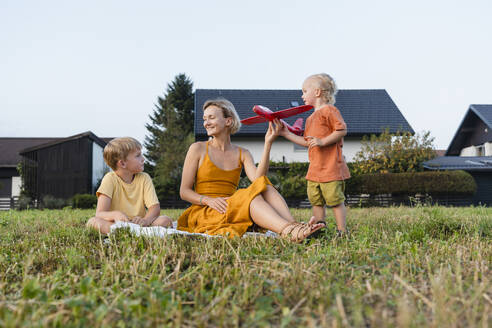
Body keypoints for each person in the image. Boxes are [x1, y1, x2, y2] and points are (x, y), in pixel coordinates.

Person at [178, 98, 324, 242]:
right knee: (249, 196)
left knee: (264, 184)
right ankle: (289, 230)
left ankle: (294, 226)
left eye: (211, 118)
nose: (206, 123)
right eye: (205, 119)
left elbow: (258, 181)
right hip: (206, 211)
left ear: (228, 121)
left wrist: (268, 143)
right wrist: (208, 200)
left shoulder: (243, 153)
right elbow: (184, 191)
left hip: (233, 207)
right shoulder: (197, 148)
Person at [279, 73, 350, 235]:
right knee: (316, 201)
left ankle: (342, 231)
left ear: (317, 92)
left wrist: (322, 142)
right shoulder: (310, 118)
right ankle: (319, 228)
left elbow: (341, 130)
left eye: (304, 91)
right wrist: (286, 134)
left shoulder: (329, 110)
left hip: (331, 168)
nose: (301, 95)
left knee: (335, 200)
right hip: (315, 170)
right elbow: (308, 142)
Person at [86, 137, 172, 234]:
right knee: (92, 222)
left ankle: (129, 233)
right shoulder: (109, 179)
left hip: (141, 224)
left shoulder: (144, 178)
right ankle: (127, 232)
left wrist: (145, 221)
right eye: (138, 156)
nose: (143, 159)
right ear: (122, 163)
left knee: (165, 220)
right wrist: (115, 215)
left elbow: (155, 208)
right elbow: (100, 213)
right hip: (116, 224)